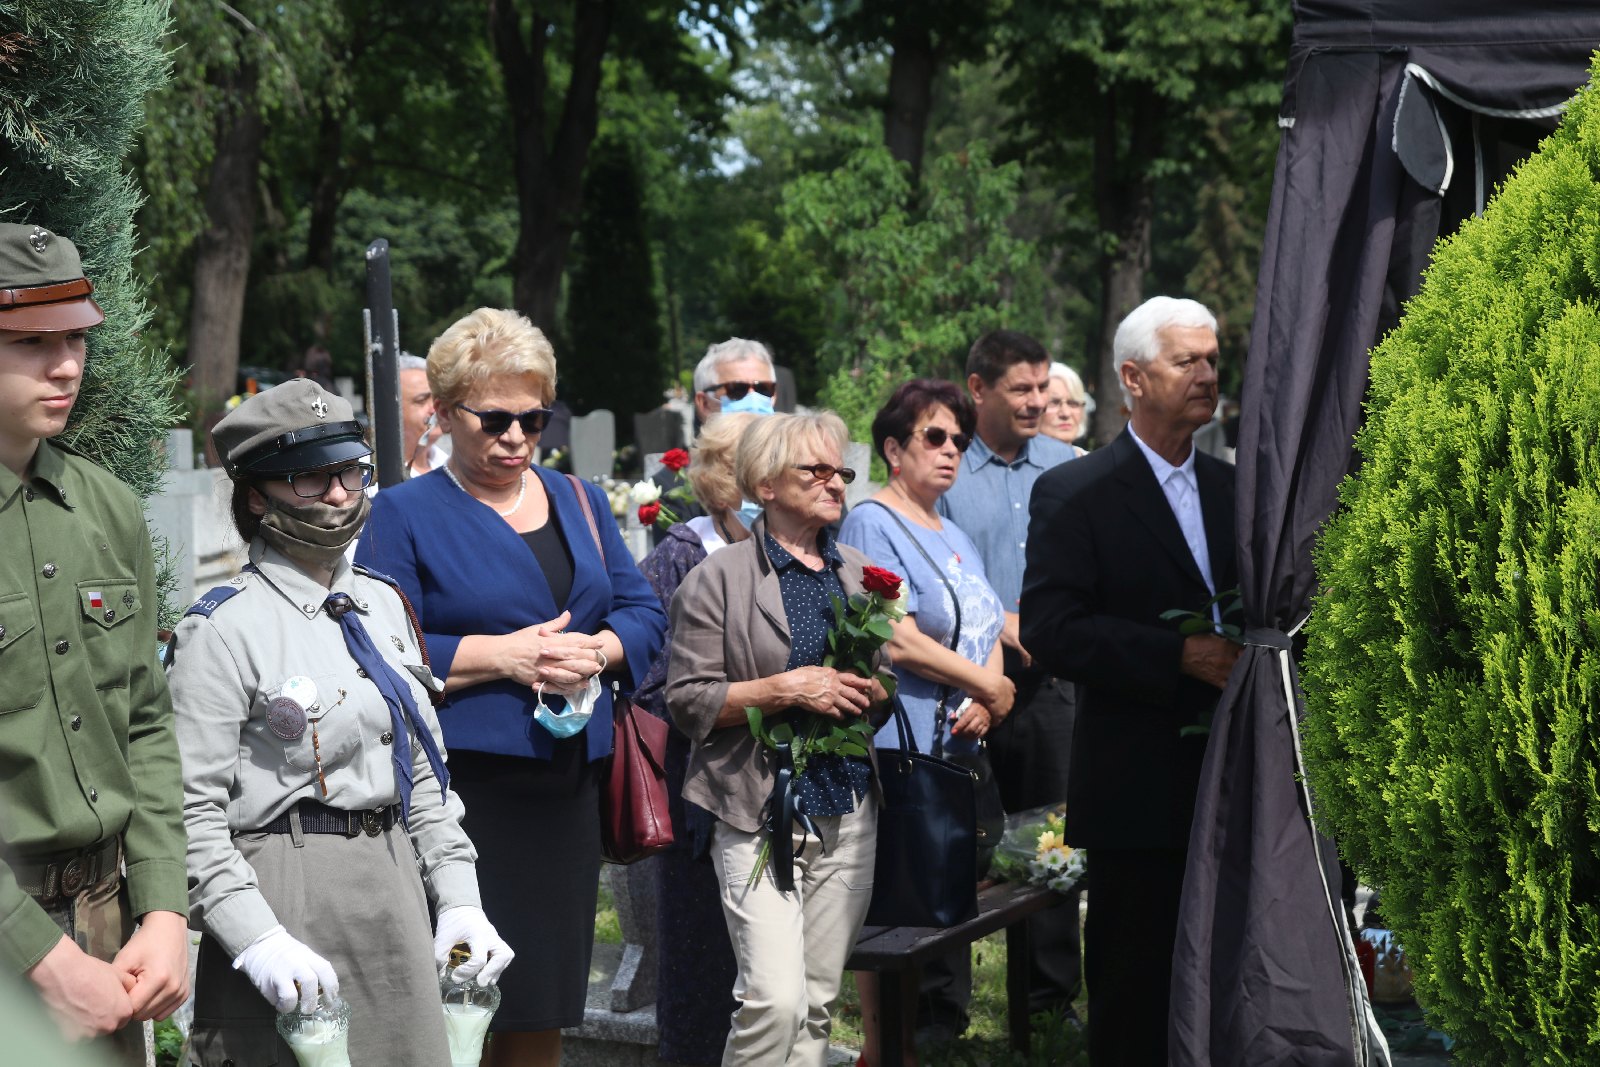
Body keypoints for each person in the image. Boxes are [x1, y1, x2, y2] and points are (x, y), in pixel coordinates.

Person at [167, 379, 513, 1064]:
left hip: (395, 889)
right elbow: (188, 814)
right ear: (257, 495)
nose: (338, 494)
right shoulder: (223, 630)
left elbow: (423, 772)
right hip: (288, 892)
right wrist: (256, 937)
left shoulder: (381, 605)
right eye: (311, 478)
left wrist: (460, 898)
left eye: (352, 472)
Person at [356, 307, 667, 1067]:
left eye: (535, 417)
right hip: (467, 796)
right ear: (446, 410)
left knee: (543, 1000)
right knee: (463, 1003)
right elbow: (378, 646)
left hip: (567, 791)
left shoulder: (581, 500)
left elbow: (643, 612)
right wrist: (505, 657)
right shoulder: (403, 512)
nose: (517, 437)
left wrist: (599, 648)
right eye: (495, 418)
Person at [1021, 296, 1240, 1066]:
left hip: (1237, 777)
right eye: (1188, 361)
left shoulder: (1234, 490)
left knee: (1232, 985)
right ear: (1133, 378)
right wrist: (1178, 654)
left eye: (1213, 359)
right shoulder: (1077, 493)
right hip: (1139, 788)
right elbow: (1051, 629)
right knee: (1136, 998)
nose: (1208, 374)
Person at [0, 222, 189, 1062]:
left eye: (76, 335)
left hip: (113, 927)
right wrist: (35, 956)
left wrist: (165, 907)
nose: (68, 364)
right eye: (32, 342)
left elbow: (143, 720)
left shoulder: (108, 507)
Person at [666, 412, 886, 1067]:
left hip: (846, 805)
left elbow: (883, 676)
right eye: (814, 470)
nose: (835, 481)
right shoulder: (720, 576)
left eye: (840, 470)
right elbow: (687, 699)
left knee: (819, 999)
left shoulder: (857, 573)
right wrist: (787, 688)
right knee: (774, 997)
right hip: (755, 806)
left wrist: (871, 689)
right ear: (765, 483)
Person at [837, 379, 1014, 1066]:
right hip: (902, 743)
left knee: (939, 899)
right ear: (892, 448)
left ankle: (919, 1038)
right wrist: (991, 687)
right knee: (893, 903)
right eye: (934, 437)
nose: (950, 451)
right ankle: (883, 1051)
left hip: (959, 741)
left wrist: (988, 696)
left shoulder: (956, 531)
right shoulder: (871, 524)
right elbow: (895, 638)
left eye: (960, 442)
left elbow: (989, 619)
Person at [933, 329, 1081, 1034]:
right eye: (1021, 388)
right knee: (959, 840)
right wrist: (999, 622)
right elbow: (935, 574)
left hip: (1049, 687)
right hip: (965, 690)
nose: (1037, 401)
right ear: (978, 389)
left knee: (1052, 838)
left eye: (1043, 388)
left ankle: (1047, 1008)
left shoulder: (1068, 466)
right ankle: (942, 1008)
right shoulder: (946, 471)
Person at [632, 411, 758, 1066]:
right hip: (700, 802)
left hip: (780, 798)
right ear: (726, 480)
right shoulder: (682, 554)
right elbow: (651, 686)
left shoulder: (804, 551)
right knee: (704, 972)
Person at [651, 338, 778, 543]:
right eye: (736, 390)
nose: (754, 399)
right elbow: (679, 566)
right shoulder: (672, 485)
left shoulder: (807, 469)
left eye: (763, 389)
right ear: (704, 404)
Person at [398, 351, 447, 476]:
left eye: (436, 397)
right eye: (421, 400)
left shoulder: (452, 465)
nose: (436, 408)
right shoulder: (368, 481)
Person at [1041, 362, 1091, 454]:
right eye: (1054, 403)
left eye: (1073, 403)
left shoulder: (1097, 465)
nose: (1065, 413)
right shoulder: (1014, 467)